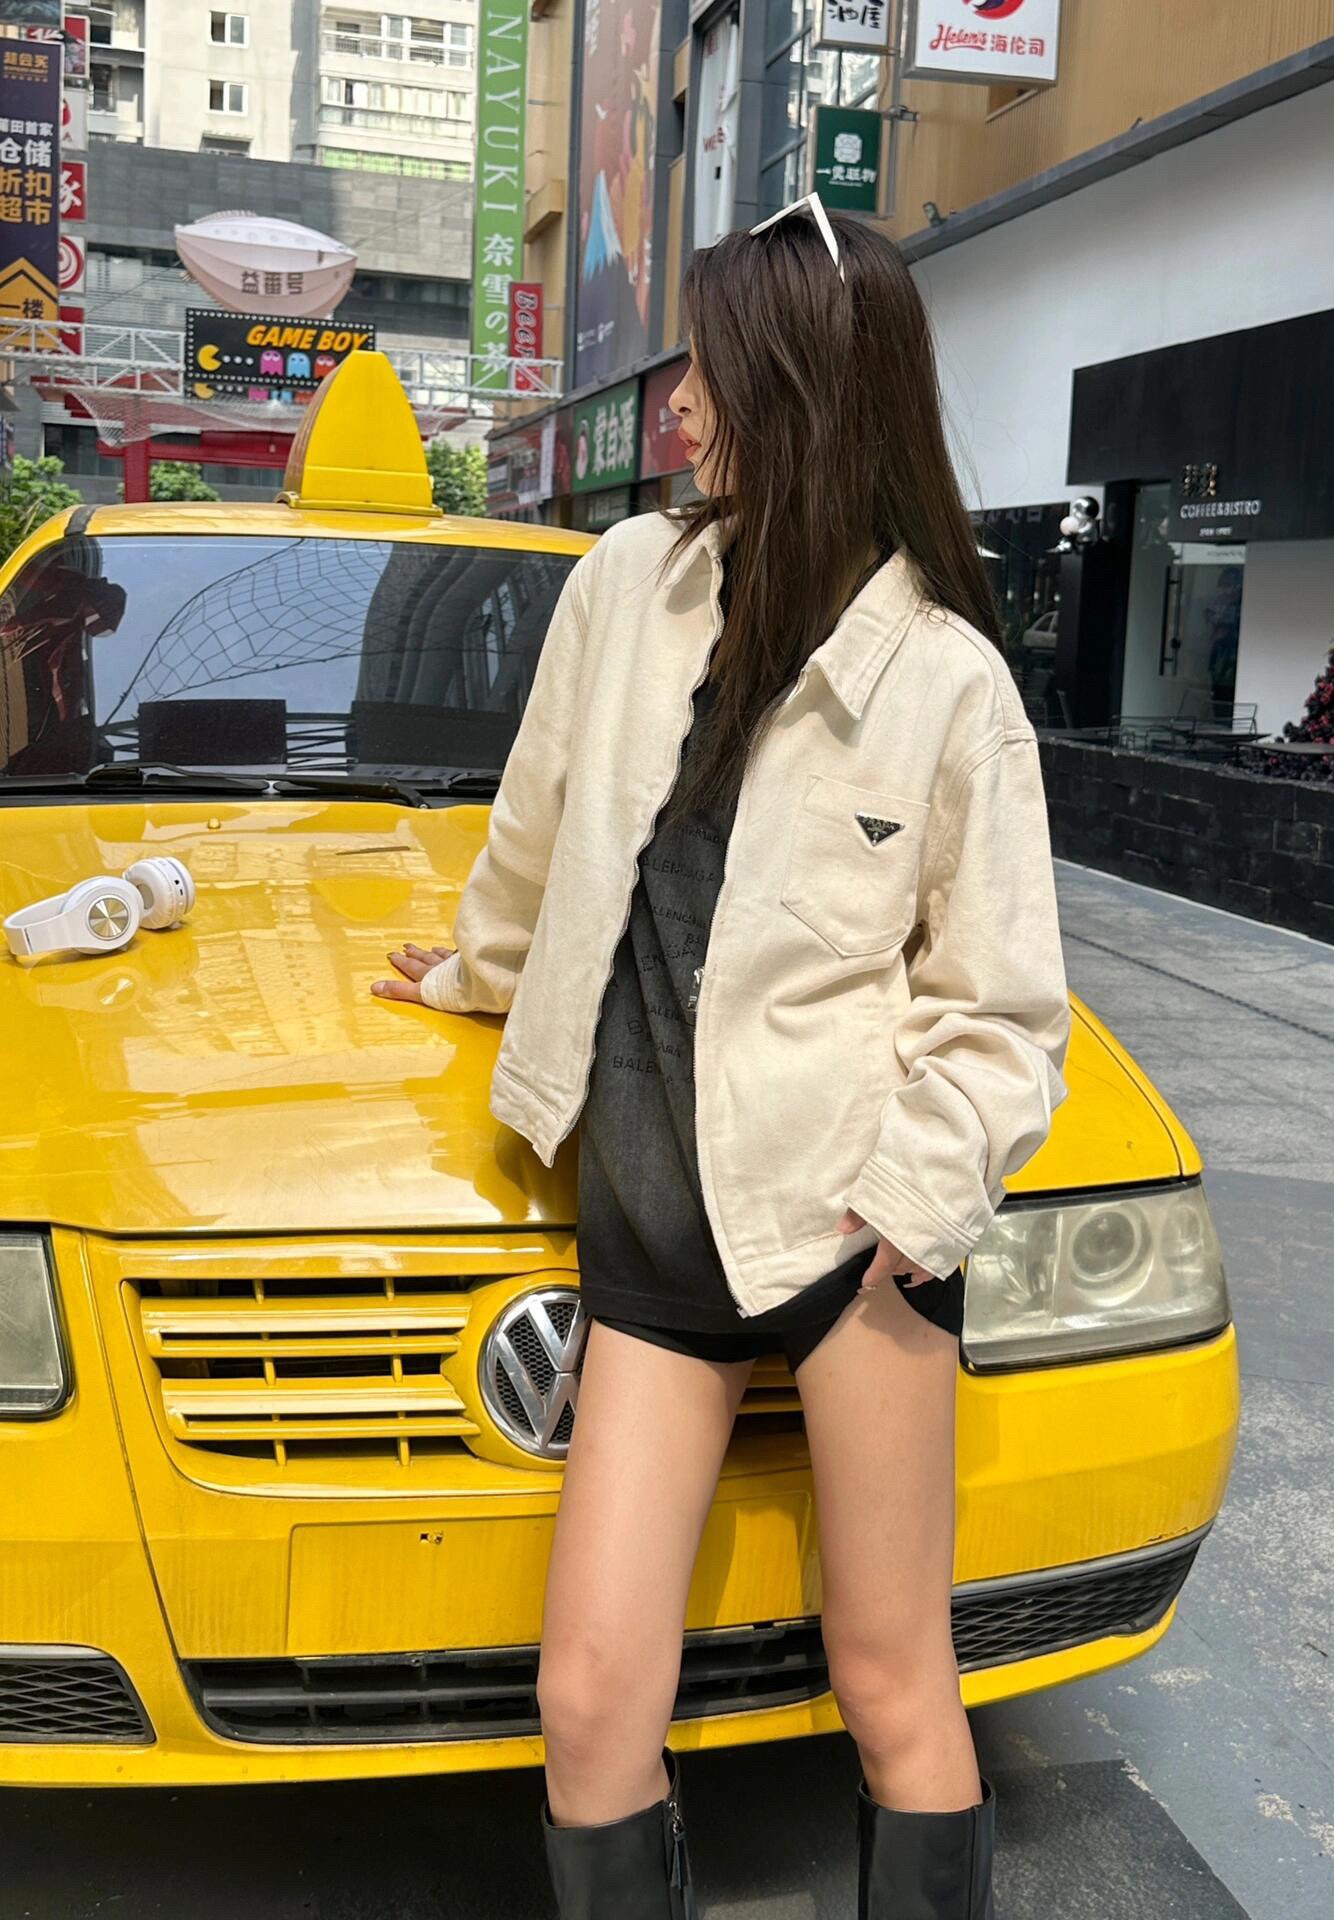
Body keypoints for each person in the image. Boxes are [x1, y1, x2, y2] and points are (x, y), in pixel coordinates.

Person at [373, 196, 1071, 1920]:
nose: (680, 400)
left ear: (805, 391)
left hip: (847, 1240)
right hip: (655, 1228)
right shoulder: (628, 583)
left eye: (713, 365)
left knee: (892, 1678)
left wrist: (906, 1201)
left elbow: (1002, 1009)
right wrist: (478, 975)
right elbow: (541, 836)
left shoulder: (949, 683)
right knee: (589, 1699)